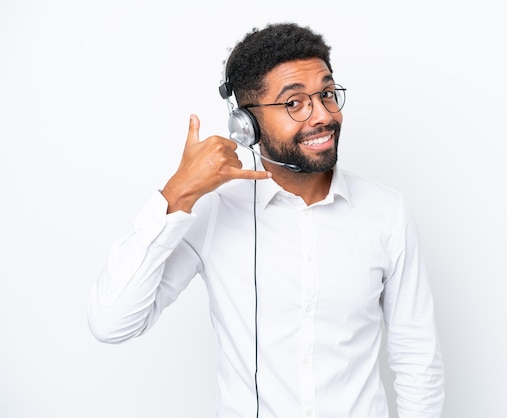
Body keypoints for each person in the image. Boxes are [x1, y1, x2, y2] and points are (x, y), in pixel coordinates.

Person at [88, 22, 444, 418]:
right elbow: (111, 322)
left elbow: (417, 359)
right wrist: (177, 194)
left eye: (326, 94)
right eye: (294, 103)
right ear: (246, 125)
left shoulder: (386, 212)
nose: (322, 116)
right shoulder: (211, 211)